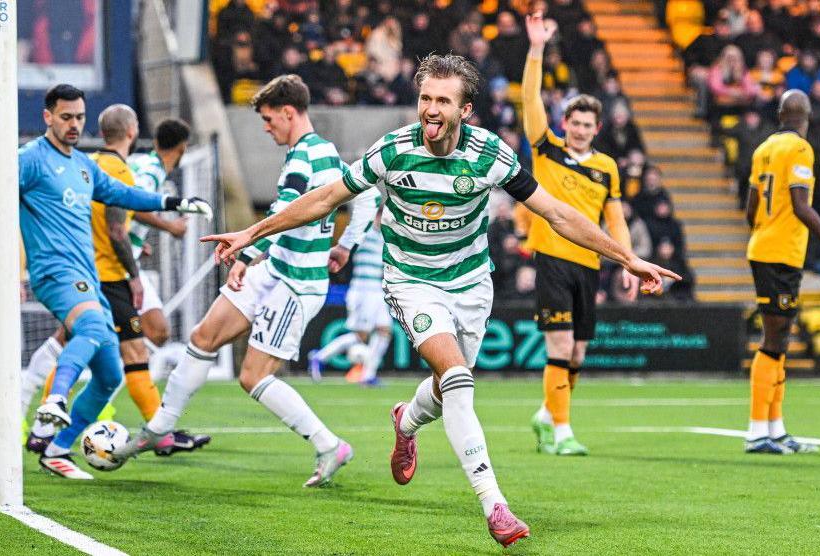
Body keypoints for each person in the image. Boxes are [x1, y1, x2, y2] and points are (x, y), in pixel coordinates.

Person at [195, 54, 678, 547]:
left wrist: (628, 258)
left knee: (448, 386)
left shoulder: (490, 154)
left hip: (471, 283)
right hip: (410, 281)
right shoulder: (393, 150)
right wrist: (252, 232)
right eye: (425, 98)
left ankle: (405, 421)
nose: (430, 108)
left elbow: (557, 213)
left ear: (465, 110)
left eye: (443, 100)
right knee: (458, 379)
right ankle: (494, 504)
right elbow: (324, 198)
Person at [0, 84, 213, 479]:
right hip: (54, 273)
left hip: (88, 277)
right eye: (66, 117)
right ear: (48, 117)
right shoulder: (29, 159)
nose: (74, 124)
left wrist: (174, 202)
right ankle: (55, 400)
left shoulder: (83, 165)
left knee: (110, 374)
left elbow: (124, 194)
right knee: (93, 328)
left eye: (79, 117)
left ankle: (56, 449)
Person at [113, 75, 378, 488]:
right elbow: (367, 197)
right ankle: (159, 428)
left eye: (269, 120)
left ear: (288, 113)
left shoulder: (305, 157)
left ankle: (329, 445)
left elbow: (285, 210)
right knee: (203, 337)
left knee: (252, 377)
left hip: (296, 284)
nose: (266, 128)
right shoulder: (323, 153)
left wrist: (247, 254)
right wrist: (345, 246)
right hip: (274, 269)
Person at [22, 111, 209, 457]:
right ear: (132, 131)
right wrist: (139, 266)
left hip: (82, 270)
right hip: (109, 274)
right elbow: (119, 221)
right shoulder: (132, 170)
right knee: (129, 350)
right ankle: (49, 427)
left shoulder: (86, 163)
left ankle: (45, 426)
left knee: (103, 347)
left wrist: (135, 241)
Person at [516, 12, 640, 458]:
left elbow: (616, 219)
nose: (581, 130)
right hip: (552, 258)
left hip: (589, 264)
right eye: (576, 122)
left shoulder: (606, 167)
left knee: (578, 354)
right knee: (560, 345)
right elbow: (529, 98)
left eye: (589, 125)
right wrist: (536, 49)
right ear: (564, 122)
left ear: (597, 129)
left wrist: (628, 261)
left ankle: (547, 414)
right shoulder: (546, 149)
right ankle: (563, 432)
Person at [744, 89, 820, 454]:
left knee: (779, 339)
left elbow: (750, 209)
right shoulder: (799, 149)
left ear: (781, 115)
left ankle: (776, 430)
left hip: (768, 250)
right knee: (773, 340)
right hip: (780, 255)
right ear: (806, 117)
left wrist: (767, 229)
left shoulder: (763, 149)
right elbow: (800, 206)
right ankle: (757, 433)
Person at [308, 211, 391, 386]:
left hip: (376, 289)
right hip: (362, 289)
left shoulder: (383, 236)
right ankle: (319, 357)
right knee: (361, 335)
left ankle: (368, 375)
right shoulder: (366, 232)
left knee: (385, 331)